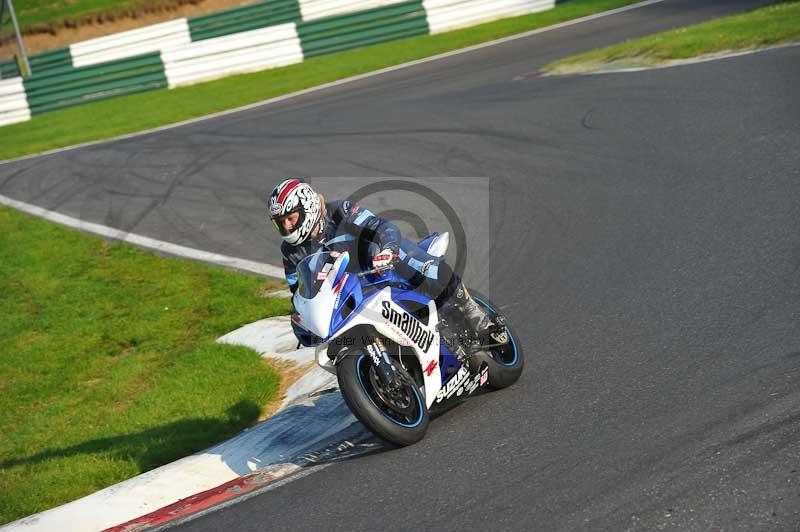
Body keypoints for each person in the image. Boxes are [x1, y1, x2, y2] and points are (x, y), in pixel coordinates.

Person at [267, 178, 493, 347]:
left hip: (381, 268)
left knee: (414, 262)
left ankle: (470, 308)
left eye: (290, 218)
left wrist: (387, 250)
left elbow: (382, 226)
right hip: (350, 294)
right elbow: (300, 293)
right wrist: (302, 319)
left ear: (307, 208)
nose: (286, 227)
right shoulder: (290, 252)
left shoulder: (339, 211)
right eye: (280, 222)